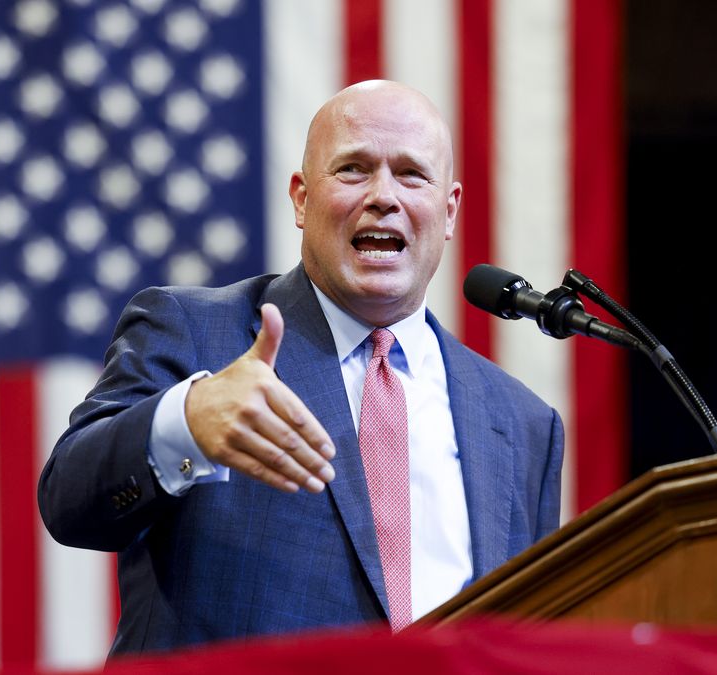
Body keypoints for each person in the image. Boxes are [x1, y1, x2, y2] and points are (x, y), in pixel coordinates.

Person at [38, 80, 564, 656]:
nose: (384, 195)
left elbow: (526, 638)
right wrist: (186, 421)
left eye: (412, 174)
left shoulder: (523, 424)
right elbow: (70, 500)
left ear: (449, 210)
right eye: (354, 170)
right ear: (301, 198)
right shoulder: (195, 331)